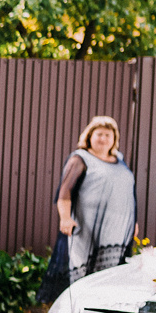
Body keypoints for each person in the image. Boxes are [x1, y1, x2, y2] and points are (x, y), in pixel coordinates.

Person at [56, 116, 138, 282]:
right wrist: (65, 218)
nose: (103, 138)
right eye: (99, 134)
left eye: (108, 135)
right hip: (88, 229)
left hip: (116, 232)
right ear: (89, 137)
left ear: (114, 139)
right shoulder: (80, 159)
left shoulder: (119, 160)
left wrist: (132, 223)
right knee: (86, 277)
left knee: (110, 277)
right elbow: (65, 192)